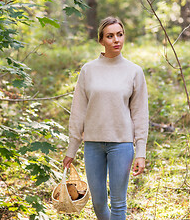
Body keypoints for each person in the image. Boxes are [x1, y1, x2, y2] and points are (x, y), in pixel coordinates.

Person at [63, 16, 149, 220]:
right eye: (110, 36)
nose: (116, 40)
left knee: (119, 203)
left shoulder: (134, 71)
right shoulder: (88, 70)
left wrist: (141, 152)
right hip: (92, 144)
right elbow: (78, 111)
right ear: (101, 40)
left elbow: (140, 114)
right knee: (98, 203)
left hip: (121, 144)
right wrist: (72, 148)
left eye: (119, 35)